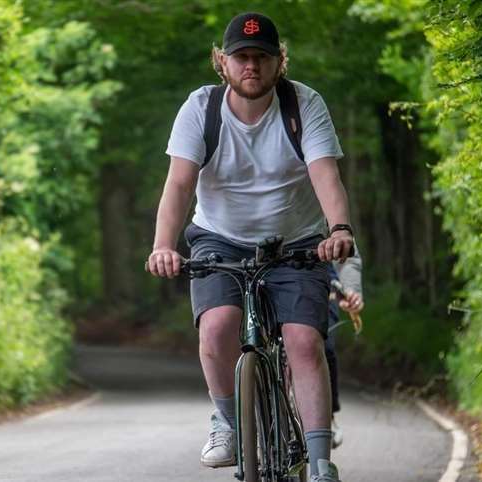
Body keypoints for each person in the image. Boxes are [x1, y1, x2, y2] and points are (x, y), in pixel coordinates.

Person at [147, 12, 353, 482]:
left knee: (303, 341)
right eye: (241, 57)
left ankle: (320, 461)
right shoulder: (201, 108)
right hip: (219, 237)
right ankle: (227, 422)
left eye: (262, 57)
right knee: (218, 326)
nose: (252, 67)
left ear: (281, 61)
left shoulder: (304, 104)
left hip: (297, 240)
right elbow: (179, 185)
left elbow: (325, 174)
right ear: (222, 62)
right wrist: (163, 244)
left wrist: (340, 228)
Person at [326, 251, 364, 449]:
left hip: (319, 283)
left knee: (324, 348)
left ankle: (326, 415)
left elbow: (347, 253)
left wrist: (350, 289)